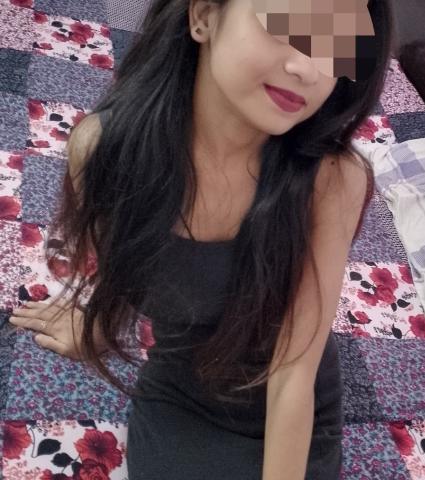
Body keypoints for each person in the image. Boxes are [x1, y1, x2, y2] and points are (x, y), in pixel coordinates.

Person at [8, 0, 393, 478]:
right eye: (283, 25)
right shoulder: (103, 150)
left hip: (290, 403)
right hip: (181, 389)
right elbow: (123, 262)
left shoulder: (332, 178)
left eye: (335, 46)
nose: (307, 69)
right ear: (204, 16)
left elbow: (294, 368)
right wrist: (96, 325)